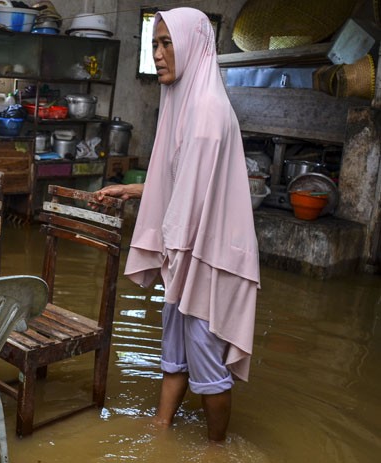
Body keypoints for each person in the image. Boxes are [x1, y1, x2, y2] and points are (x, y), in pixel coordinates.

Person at [95, 7, 259, 441]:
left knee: (207, 361)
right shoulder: (185, 102)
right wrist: (128, 191)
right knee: (175, 353)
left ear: (193, 45)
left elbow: (189, 198)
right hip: (187, 249)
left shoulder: (206, 112)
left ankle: (216, 448)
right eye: (154, 44)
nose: (159, 54)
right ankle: (161, 430)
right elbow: (177, 180)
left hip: (205, 257)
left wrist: (169, 250)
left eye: (168, 44)